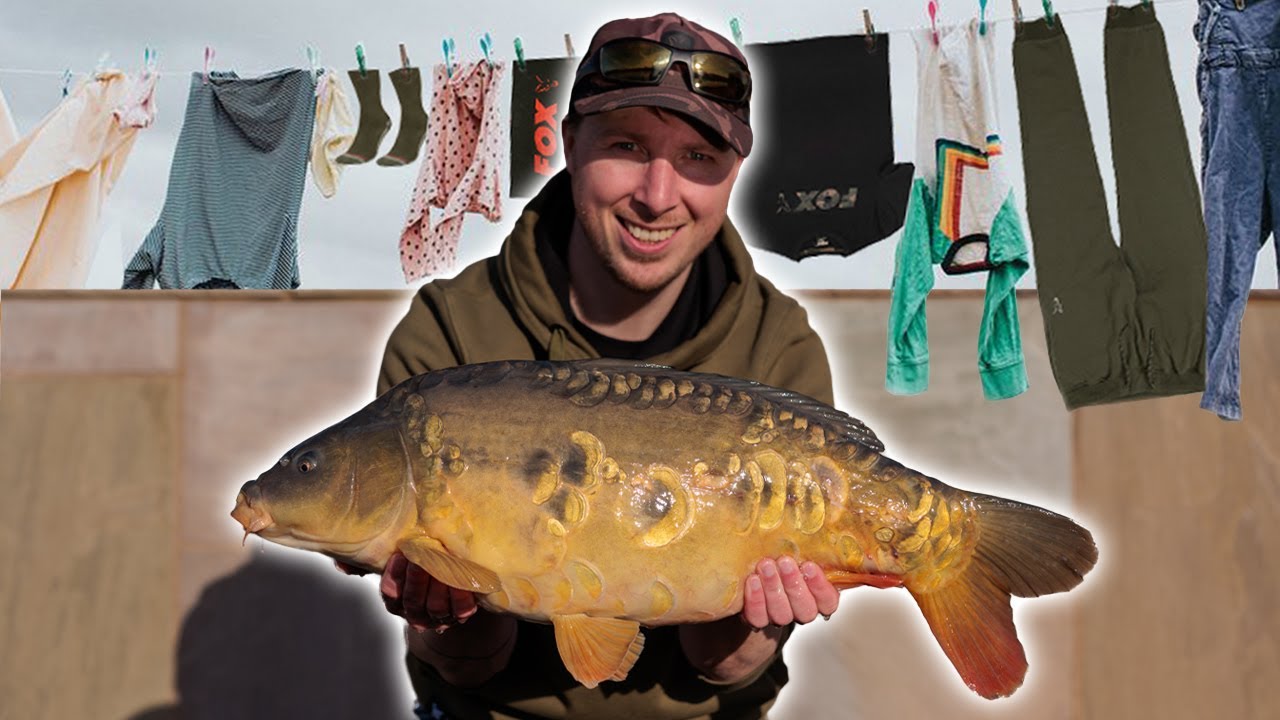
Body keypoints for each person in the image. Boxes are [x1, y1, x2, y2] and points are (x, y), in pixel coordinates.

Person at [359, 13, 842, 719]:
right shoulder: (450, 331)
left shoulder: (780, 348)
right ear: (569, 141)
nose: (656, 193)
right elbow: (465, 668)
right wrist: (451, 614)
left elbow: (727, 670)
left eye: (698, 159)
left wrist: (753, 622)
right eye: (626, 145)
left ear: (734, 172)